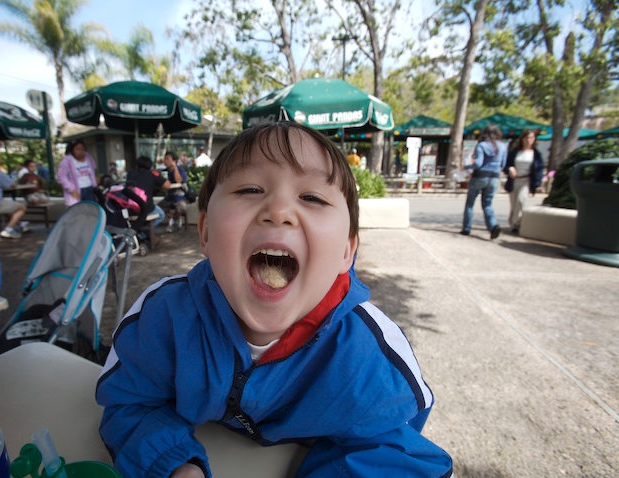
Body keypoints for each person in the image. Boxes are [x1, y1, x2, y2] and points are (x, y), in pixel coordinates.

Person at [96, 122, 453, 478]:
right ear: (205, 233)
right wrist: (174, 464)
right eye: (250, 189)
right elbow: (130, 402)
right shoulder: (165, 318)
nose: (278, 210)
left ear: (346, 251)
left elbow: (396, 454)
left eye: (312, 197)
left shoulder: (367, 355)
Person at [461, 124, 507, 239]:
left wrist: (466, 167)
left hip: (479, 176)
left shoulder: (482, 145)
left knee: (470, 203)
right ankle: (493, 226)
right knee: (487, 204)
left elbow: (478, 163)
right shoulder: (503, 146)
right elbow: (503, 164)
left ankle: (466, 228)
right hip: (494, 177)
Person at [504, 129, 544, 234]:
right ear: (522, 139)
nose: (528, 140)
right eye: (526, 138)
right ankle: (512, 222)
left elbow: (539, 169)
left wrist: (537, 184)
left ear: (534, 139)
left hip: (526, 180)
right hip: (514, 180)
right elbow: (506, 165)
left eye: (531, 138)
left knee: (521, 201)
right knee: (513, 204)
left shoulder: (536, 154)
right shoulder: (515, 152)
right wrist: (510, 169)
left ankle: (516, 225)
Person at [126, 155, 172, 232]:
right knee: (161, 214)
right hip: (145, 207)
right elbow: (167, 185)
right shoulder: (152, 174)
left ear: (137, 165)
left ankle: (138, 230)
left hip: (130, 207)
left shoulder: (130, 173)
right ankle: (144, 232)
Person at [57, 139, 98, 206]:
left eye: (82, 149)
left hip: (89, 188)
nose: (80, 151)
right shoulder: (67, 160)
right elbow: (61, 176)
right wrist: (71, 190)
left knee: (91, 208)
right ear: (72, 150)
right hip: (76, 190)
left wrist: (95, 182)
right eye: (77, 149)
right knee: (78, 209)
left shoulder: (88, 157)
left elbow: (93, 168)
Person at [157, 151, 188, 233]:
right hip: (169, 197)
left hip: (180, 196)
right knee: (158, 207)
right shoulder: (164, 171)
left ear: (174, 161)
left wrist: (175, 167)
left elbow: (179, 181)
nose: (165, 161)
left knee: (182, 207)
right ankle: (172, 218)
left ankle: (174, 221)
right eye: (165, 159)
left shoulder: (180, 170)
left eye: (168, 159)